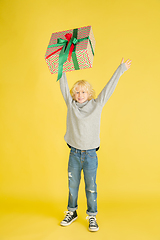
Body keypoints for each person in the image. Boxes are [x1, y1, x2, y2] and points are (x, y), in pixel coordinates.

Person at [59, 58, 132, 232]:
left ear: (90, 94)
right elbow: (62, 84)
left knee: (91, 187)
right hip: (74, 154)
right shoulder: (71, 106)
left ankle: (92, 216)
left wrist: (120, 69)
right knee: (72, 185)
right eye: (76, 92)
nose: (80, 95)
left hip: (91, 155)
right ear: (73, 95)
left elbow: (109, 88)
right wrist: (60, 65)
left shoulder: (97, 105)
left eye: (83, 92)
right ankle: (72, 212)